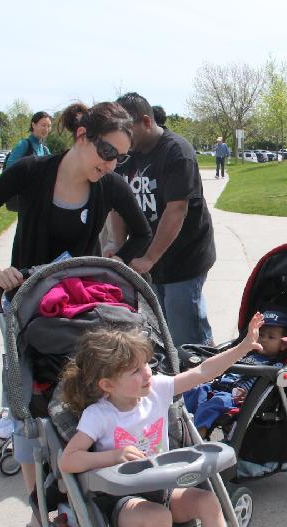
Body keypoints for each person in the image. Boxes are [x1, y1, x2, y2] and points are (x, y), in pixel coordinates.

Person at [0, 100, 152, 527]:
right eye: (106, 151)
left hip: (76, 311)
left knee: (81, 404)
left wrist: (111, 265)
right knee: (30, 411)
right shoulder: (32, 171)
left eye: (120, 157)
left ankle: (86, 497)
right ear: (82, 136)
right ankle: (38, 509)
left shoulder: (109, 186)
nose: (110, 163)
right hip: (25, 309)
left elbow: (142, 232)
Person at [58, 315, 267, 527]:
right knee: (158, 518)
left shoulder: (156, 390)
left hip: (164, 488)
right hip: (122, 502)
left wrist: (243, 347)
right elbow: (68, 460)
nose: (147, 373)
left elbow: (204, 371)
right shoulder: (99, 415)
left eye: (146, 364)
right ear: (107, 385)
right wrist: (112, 456)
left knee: (208, 501)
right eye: (134, 371)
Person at [115, 91, 216, 348]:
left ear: (146, 122)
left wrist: (149, 257)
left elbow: (176, 210)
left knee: (187, 335)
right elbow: (118, 208)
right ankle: (179, 381)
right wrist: (117, 252)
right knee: (162, 333)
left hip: (184, 257)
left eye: (128, 129)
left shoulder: (176, 151)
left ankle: (206, 383)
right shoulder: (127, 155)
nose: (123, 137)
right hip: (149, 261)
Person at [183, 309, 287, 435]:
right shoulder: (247, 352)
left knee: (215, 403)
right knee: (191, 390)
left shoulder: (276, 365)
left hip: (235, 397)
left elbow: (268, 386)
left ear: (283, 345)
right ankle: (183, 425)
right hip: (216, 384)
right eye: (261, 334)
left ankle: (198, 436)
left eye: (271, 337)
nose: (264, 339)